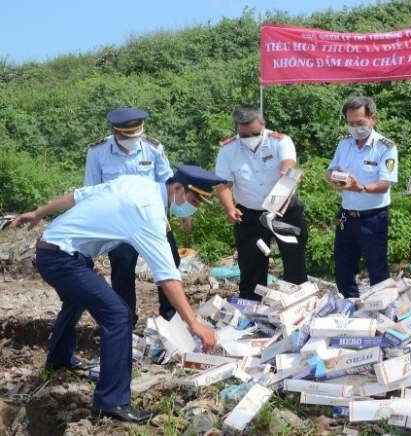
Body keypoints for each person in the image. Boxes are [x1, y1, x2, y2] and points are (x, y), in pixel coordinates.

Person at [10, 165, 223, 422]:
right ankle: (112, 402)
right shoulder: (149, 213)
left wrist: (37, 213)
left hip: (56, 248)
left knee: (77, 300)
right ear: (177, 189)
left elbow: (76, 196)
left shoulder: (137, 183)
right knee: (118, 315)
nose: (194, 208)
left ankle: (59, 359)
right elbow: (167, 275)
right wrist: (194, 323)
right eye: (194, 200)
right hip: (62, 259)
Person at [84, 107, 186, 325]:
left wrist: (181, 210)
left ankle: (171, 318)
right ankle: (125, 321)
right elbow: (91, 190)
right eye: (126, 136)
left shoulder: (153, 148)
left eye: (136, 136)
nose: (132, 141)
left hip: (152, 219)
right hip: (119, 224)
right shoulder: (97, 152)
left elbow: (169, 184)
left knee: (170, 262)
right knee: (122, 270)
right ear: (114, 131)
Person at [214, 104, 308, 301]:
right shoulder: (228, 149)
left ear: (263, 124)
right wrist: (230, 208)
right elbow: (223, 183)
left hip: (283, 210)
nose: (250, 138)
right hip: (249, 215)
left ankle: (297, 305)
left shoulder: (280, 141)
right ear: (237, 128)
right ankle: (251, 310)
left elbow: (288, 164)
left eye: (255, 133)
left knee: (294, 262)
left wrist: (288, 175)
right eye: (244, 135)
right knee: (251, 265)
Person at [325, 96, 398, 298]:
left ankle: (380, 314)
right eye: (350, 123)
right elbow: (329, 170)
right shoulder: (344, 144)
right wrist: (334, 179)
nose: (355, 127)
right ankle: (348, 309)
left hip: (373, 218)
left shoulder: (386, 147)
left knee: (378, 269)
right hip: (346, 216)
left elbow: (385, 184)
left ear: (373, 118)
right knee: (344, 267)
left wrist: (360, 188)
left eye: (360, 122)